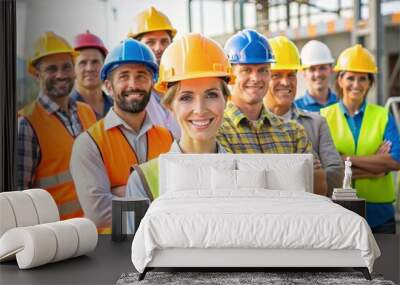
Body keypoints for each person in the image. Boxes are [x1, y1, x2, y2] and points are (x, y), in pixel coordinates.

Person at [70, 38, 174, 232]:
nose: (133, 85)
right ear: (109, 87)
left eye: (141, 76)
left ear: (152, 83)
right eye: (124, 76)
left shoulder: (168, 138)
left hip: (162, 249)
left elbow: (180, 198)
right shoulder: (89, 144)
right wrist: (157, 196)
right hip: (113, 253)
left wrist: (121, 194)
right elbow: (100, 214)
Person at [125, 33, 235, 210]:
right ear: (170, 105)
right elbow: (129, 238)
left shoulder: (243, 172)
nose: (199, 109)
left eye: (211, 95)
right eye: (186, 98)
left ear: (226, 100)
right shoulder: (142, 181)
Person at [321, 44, 400, 233]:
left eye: (362, 78)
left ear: (370, 83)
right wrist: (376, 169)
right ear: (340, 80)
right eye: (350, 77)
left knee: (384, 264)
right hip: (337, 212)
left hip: (380, 216)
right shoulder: (323, 117)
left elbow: (395, 160)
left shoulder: (382, 116)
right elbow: (324, 169)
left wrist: (345, 159)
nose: (356, 84)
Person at [17, 32, 97, 220]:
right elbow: (19, 195)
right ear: (37, 75)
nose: (61, 75)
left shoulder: (87, 112)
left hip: (91, 227)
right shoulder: (26, 124)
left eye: (66, 67)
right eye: (51, 69)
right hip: (54, 235)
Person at [264, 36, 343, 196]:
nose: (285, 82)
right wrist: (308, 175)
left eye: (291, 75)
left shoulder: (316, 123)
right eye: (277, 75)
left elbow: (336, 173)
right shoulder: (252, 124)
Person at [217, 29, 312, 156]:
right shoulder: (216, 130)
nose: (256, 78)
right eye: (246, 70)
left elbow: (313, 175)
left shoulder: (294, 132)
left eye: (262, 70)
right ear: (230, 75)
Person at [128, 6, 180, 138]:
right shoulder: (130, 91)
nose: (159, 48)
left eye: (164, 41)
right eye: (150, 42)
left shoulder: (182, 82)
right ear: (136, 47)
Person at [71, 30, 113, 119]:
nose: (89, 68)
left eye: (95, 62)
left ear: (104, 66)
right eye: (83, 62)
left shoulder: (117, 106)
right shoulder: (66, 111)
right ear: (73, 68)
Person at [295, 40, 338, 112]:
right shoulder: (295, 109)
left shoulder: (342, 105)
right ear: (304, 72)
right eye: (312, 69)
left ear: (331, 69)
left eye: (322, 68)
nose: (318, 74)